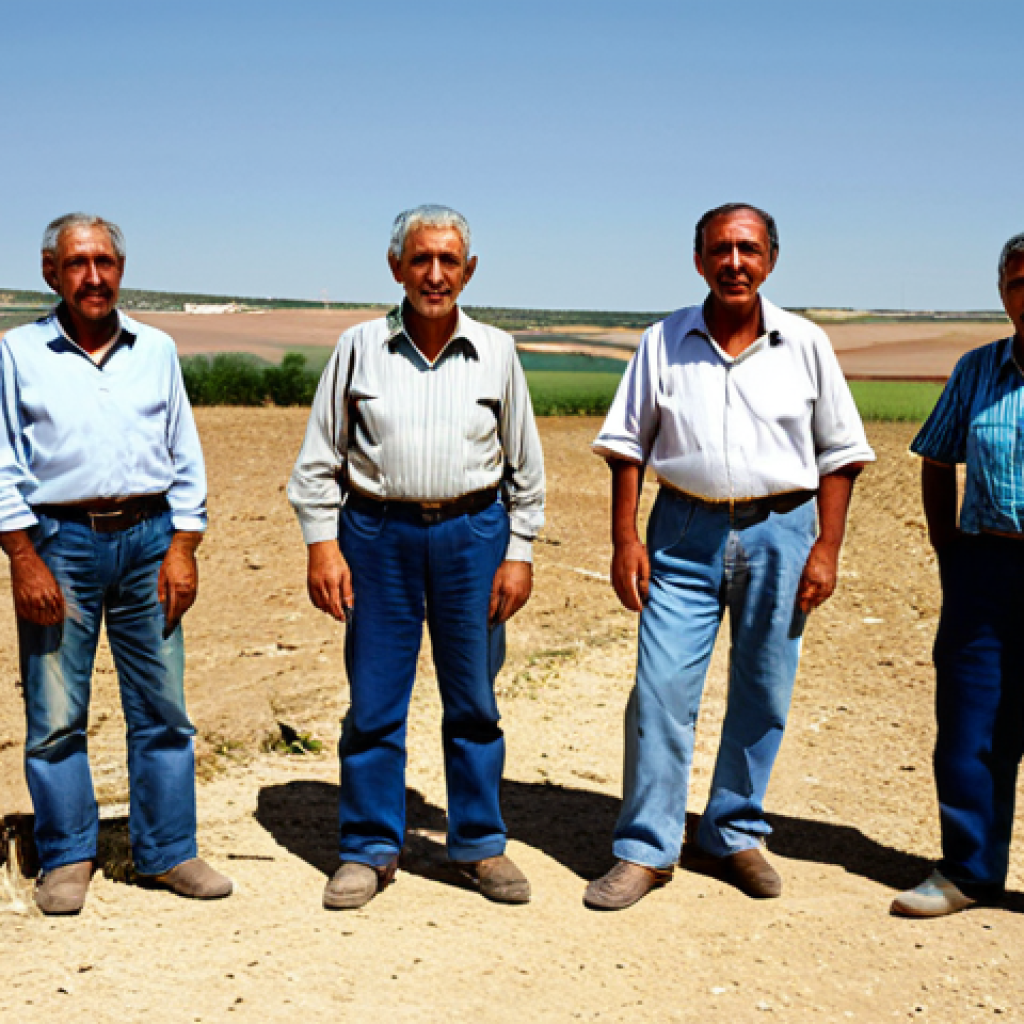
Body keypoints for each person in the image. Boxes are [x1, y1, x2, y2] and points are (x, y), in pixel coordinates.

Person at [585, 203, 874, 910]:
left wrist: (827, 549)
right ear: (699, 261)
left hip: (783, 530)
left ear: (769, 260)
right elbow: (627, 445)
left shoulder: (804, 343)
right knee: (660, 691)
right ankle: (646, 849)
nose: (734, 262)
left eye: (747, 249)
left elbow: (841, 455)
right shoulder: (663, 341)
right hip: (682, 534)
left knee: (764, 688)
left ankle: (732, 830)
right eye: (720, 250)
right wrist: (626, 538)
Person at [288, 204, 545, 910]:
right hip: (377, 539)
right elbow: (317, 464)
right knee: (373, 704)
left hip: (473, 537)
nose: (436, 274)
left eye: (449, 261)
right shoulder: (359, 347)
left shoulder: (496, 350)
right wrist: (322, 545)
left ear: (469, 270)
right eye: (421, 260)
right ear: (397, 267)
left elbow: (525, 467)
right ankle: (368, 850)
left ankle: (479, 846)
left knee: (474, 702)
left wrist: (517, 552)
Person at [0, 213, 231, 914]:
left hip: (149, 540)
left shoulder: (156, 349)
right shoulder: (17, 353)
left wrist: (184, 547)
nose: (93, 276)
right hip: (58, 542)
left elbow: (183, 452)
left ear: (120, 270)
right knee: (56, 710)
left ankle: (167, 851)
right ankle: (67, 854)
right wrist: (22, 557)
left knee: (163, 706)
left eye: (104, 261)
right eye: (76, 263)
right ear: (50, 272)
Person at [892, 232, 1024, 918]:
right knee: (971, 725)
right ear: (1003, 294)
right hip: (987, 567)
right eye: (1018, 284)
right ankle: (969, 871)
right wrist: (950, 549)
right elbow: (937, 457)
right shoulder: (977, 370)